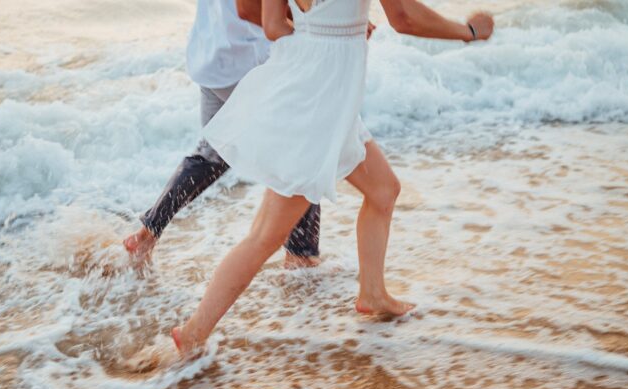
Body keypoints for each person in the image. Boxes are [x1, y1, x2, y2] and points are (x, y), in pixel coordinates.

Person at [172, 0, 494, 354]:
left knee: (384, 190)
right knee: (265, 236)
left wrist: (328, 28)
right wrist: (470, 32)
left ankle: (373, 293)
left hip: (308, 85)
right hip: (319, 101)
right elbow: (404, 19)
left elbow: (273, 28)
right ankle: (192, 333)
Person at [123, 0, 323, 269]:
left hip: (212, 54)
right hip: (249, 62)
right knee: (300, 151)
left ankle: (148, 232)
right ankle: (301, 258)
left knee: (213, 154)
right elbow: (250, 11)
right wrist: (322, 30)